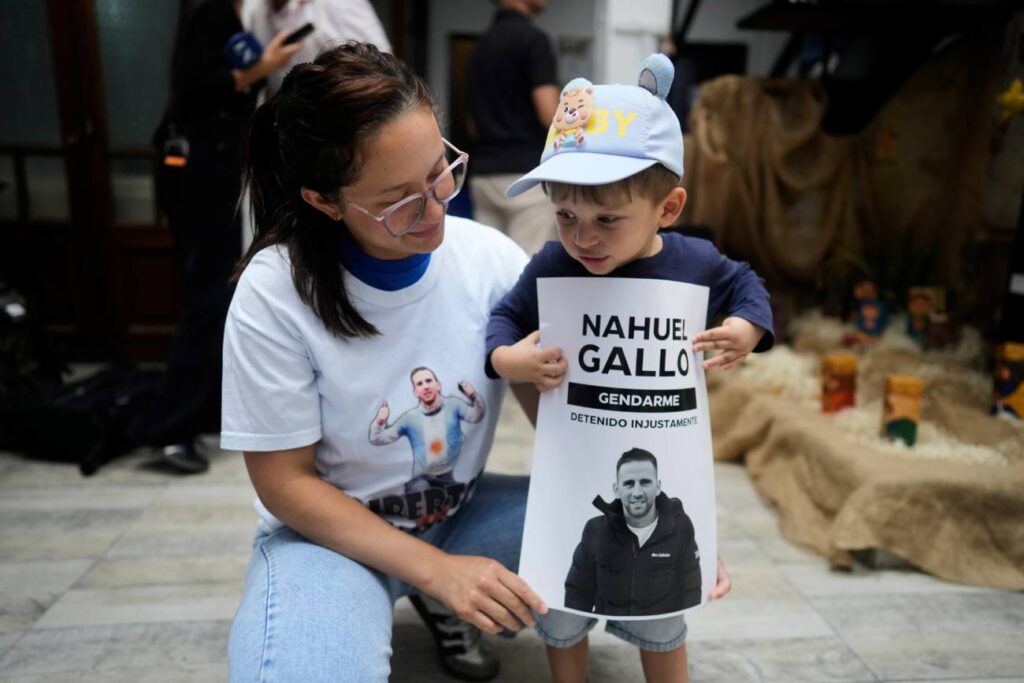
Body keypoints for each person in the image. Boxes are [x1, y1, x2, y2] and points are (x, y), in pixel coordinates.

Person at [221, 43, 548, 682]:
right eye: (399, 201)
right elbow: (284, 483)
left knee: (634, 535)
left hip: (462, 511)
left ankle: (438, 594)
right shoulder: (276, 291)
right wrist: (438, 571)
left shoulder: (491, 260)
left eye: (441, 172)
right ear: (324, 200)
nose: (436, 207)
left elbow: (562, 421)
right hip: (331, 538)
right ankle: (428, 589)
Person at [485, 54, 774, 683]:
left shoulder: (694, 263)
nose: (583, 238)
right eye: (566, 216)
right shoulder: (552, 265)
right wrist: (509, 359)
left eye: (607, 220)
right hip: (573, 477)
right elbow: (503, 319)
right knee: (560, 608)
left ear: (667, 208)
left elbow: (747, 284)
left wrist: (747, 328)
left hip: (663, 467)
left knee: (663, 616)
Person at [137, 0, 301, 473]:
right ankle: (172, 429)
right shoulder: (213, 12)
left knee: (215, 293)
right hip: (199, 171)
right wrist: (262, 69)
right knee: (209, 297)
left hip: (211, 169)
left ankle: (197, 414)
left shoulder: (228, 15)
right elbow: (195, 90)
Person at [467, 0, 560, 254]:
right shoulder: (534, 40)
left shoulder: (480, 46)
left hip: (484, 175)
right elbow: (549, 114)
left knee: (489, 264)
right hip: (527, 177)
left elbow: (473, 125)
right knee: (526, 267)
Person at [565, 448, 702, 616]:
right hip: (606, 625)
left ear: (658, 487)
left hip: (659, 627)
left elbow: (691, 591)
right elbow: (577, 593)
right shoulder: (595, 530)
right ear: (616, 489)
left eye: (645, 482)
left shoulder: (680, 527)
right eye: (629, 483)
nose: (637, 493)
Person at [369, 367, 485, 498]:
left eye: (428, 381)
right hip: (421, 478)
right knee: (423, 496)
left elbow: (476, 416)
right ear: (416, 392)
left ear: (438, 385)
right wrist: (380, 421)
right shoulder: (409, 418)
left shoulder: (454, 405)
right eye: (420, 384)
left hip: (448, 475)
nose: (425, 387)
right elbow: (378, 439)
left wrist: (473, 396)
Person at [244, 0, 392, 93]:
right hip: (292, 121)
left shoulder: (338, 3)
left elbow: (382, 61)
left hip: (345, 112)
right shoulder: (258, 14)